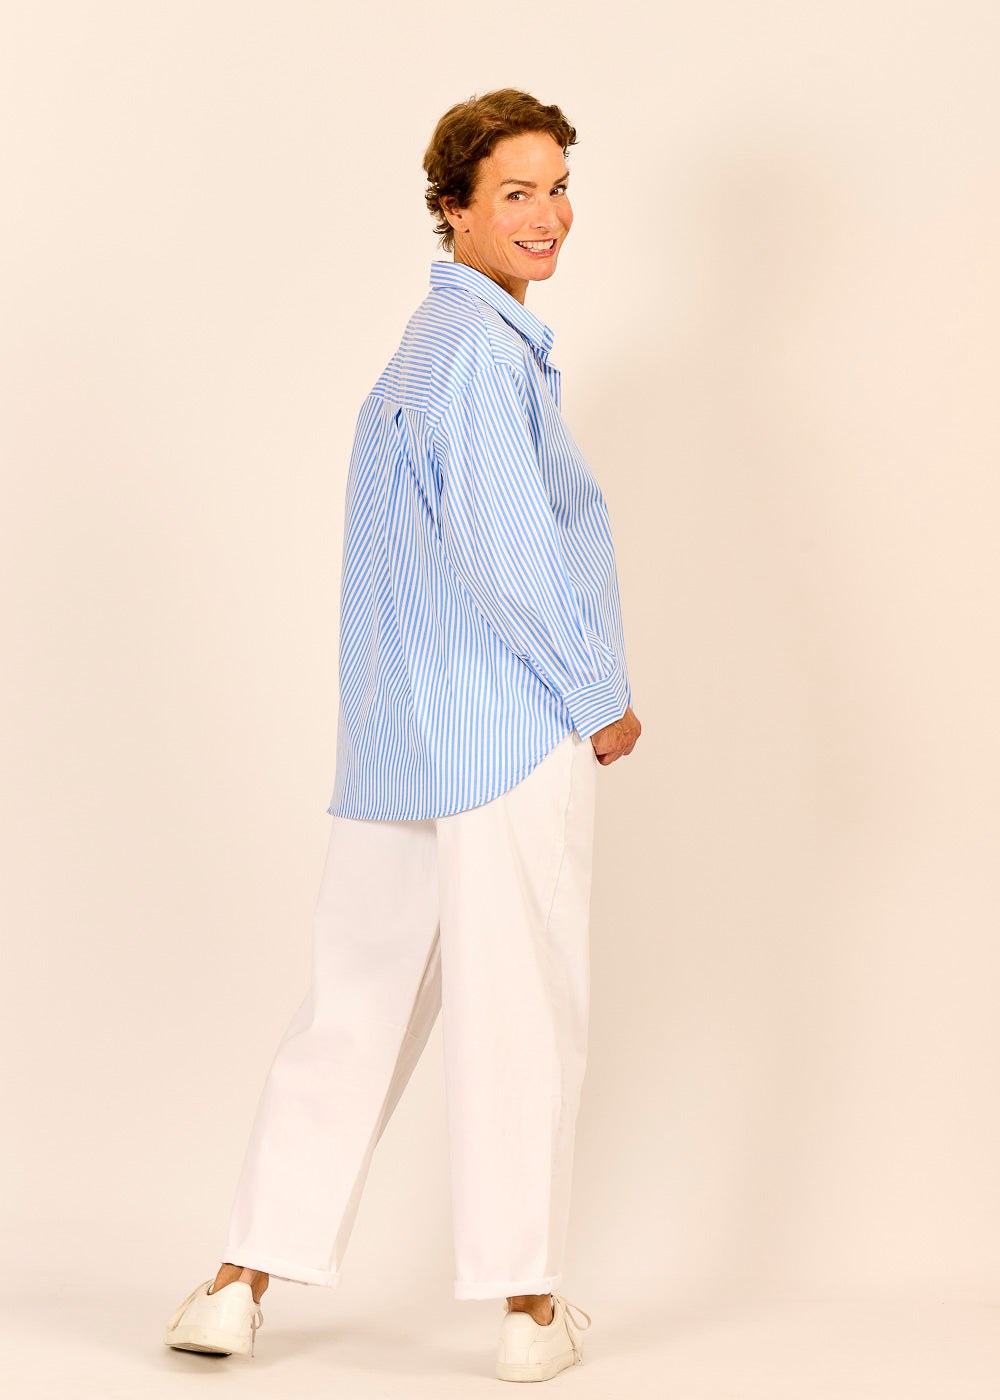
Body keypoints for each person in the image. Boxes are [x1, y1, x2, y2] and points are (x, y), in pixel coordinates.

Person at [163, 87, 640, 1384]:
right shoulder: (481, 353)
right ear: (453, 210)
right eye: (515, 193)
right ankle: (529, 1311)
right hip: (506, 732)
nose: (548, 215)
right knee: (521, 1013)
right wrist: (597, 694)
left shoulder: (429, 347)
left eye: (557, 186)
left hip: (399, 740)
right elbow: (506, 551)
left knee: (352, 1008)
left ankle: (237, 1284)